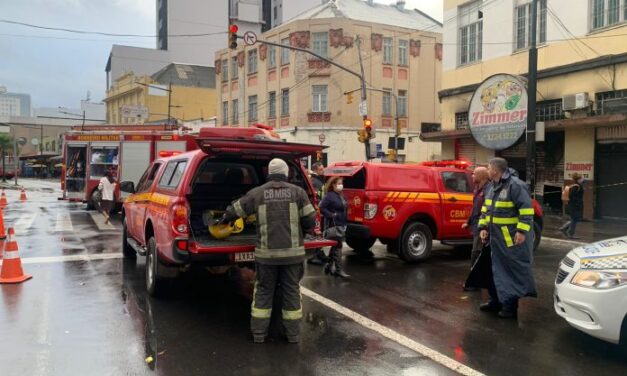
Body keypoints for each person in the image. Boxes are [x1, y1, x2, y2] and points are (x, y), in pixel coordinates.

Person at [221, 158, 316, 344]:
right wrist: (301, 233)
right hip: (292, 256)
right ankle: (293, 335)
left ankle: (258, 334)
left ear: (268, 174)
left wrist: (224, 218)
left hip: (267, 257)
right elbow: (310, 220)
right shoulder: (298, 193)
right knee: (291, 292)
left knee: (263, 292)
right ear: (287, 173)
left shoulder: (257, 193)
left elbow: (236, 210)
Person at [477, 158, 537, 319]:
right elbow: (486, 210)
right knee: (493, 271)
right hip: (493, 240)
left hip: (509, 239)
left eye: (488, 168)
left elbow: (526, 210)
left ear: (495, 170)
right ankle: (494, 300)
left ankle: (510, 306)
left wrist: (521, 232)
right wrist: (483, 227)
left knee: (509, 272)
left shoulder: (515, 185)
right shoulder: (492, 187)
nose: (487, 171)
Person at [462, 166, 489, 291]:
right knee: (477, 253)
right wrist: (468, 222)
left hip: (483, 227)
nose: (472, 176)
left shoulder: (489, 190)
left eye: (474, 174)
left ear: (481, 176)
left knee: (476, 253)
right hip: (477, 225)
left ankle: (474, 283)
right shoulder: (477, 189)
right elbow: (475, 208)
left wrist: (484, 227)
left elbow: (487, 211)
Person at [319, 176, 350, 279]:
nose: (341, 185)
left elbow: (344, 207)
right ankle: (338, 269)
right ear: (333, 185)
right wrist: (331, 215)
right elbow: (322, 207)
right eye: (338, 183)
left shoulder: (340, 195)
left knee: (335, 245)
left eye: (341, 183)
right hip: (334, 224)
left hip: (341, 223)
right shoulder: (330, 196)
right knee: (338, 245)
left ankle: (329, 265)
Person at [307, 162, 329, 266]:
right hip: (317, 212)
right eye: (321, 169)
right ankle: (314, 256)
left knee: (320, 232)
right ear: (315, 170)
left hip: (320, 211)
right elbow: (315, 198)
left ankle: (320, 253)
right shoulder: (314, 181)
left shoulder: (319, 181)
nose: (323, 171)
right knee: (316, 232)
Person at [560, 173, 584, 239]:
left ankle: (564, 228)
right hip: (574, 206)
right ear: (578, 179)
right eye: (582, 178)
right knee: (574, 219)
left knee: (574, 219)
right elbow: (571, 195)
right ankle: (571, 234)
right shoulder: (576, 186)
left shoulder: (577, 185)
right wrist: (577, 202)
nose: (583, 179)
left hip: (574, 205)